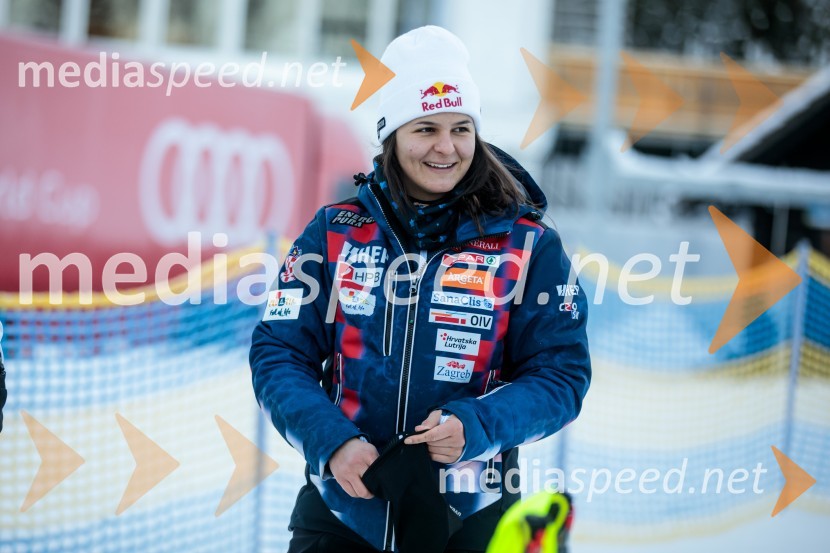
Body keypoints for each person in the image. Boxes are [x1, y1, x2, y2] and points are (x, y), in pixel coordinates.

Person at [250, 25, 591, 553]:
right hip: (341, 512)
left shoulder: (529, 245)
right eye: (425, 128)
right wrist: (331, 441)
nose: (446, 148)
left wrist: (477, 425)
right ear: (392, 137)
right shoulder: (334, 231)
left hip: (473, 517)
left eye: (461, 129)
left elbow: (562, 376)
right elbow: (278, 352)